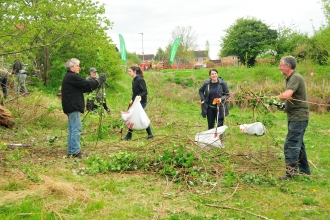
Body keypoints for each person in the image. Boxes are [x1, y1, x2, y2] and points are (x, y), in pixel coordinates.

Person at [61, 58, 106, 158]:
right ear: (71, 67)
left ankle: (71, 151)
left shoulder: (70, 77)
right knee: (76, 129)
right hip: (73, 107)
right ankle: (75, 152)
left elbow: (86, 87)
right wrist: (99, 81)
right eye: (77, 66)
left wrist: (97, 83)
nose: (79, 68)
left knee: (73, 129)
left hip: (70, 106)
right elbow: (87, 84)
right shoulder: (72, 77)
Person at [277, 56, 311, 180]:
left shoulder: (295, 77)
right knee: (299, 144)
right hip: (295, 117)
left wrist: (280, 96)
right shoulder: (291, 78)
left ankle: (290, 173)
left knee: (291, 144)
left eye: (281, 65)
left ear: (288, 66)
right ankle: (305, 171)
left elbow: (287, 94)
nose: (279, 67)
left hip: (299, 117)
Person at [121, 66, 153, 141]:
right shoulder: (134, 80)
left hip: (142, 102)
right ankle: (130, 135)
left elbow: (145, 91)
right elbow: (135, 93)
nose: (129, 73)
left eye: (130, 71)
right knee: (135, 117)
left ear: (134, 71)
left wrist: (139, 96)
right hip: (135, 102)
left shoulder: (139, 80)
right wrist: (132, 100)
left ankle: (149, 135)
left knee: (139, 117)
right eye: (128, 71)